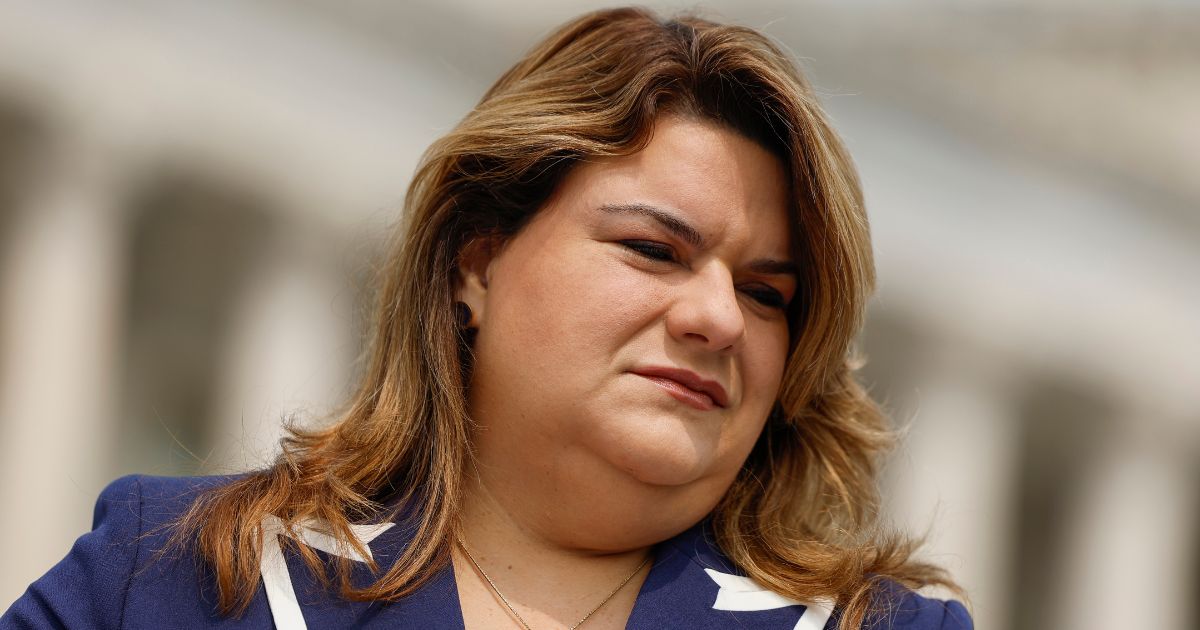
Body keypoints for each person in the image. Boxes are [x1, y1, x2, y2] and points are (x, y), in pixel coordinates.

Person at [2, 7, 971, 630]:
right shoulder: (177, 577)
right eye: (653, 249)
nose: (720, 316)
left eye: (770, 293)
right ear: (479, 260)